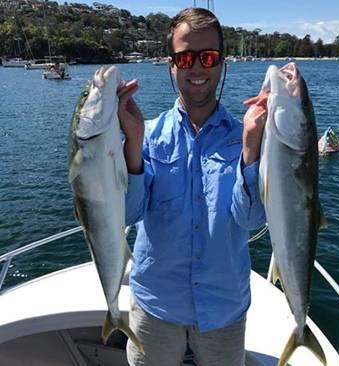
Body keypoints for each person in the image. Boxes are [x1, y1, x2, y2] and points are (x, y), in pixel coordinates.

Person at [117, 8, 267, 366]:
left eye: (208, 57)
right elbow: (127, 213)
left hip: (223, 311)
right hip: (156, 306)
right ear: (172, 66)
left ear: (222, 64)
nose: (197, 67)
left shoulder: (246, 136)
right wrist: (132, 142)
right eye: (185, 58)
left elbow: (251, 220)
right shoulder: (149, 134)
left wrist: (250, 147)